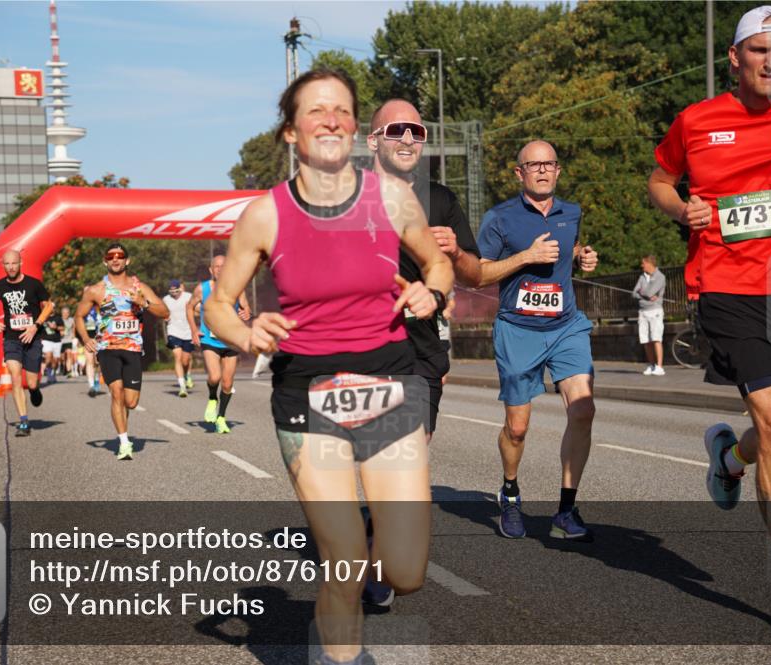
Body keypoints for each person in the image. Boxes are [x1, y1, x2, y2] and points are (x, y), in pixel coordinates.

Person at [204, 69, 453, 665]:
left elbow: (437, 263)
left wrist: (433, 292)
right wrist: (245, 331)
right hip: (306, 393)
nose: (331, 120)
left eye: (341, 109)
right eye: (316, 110)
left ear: (355, 127)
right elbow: (217, 305)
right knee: (343, 560)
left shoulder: (390, 197)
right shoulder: (265, 215)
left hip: (390, 384)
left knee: (406, 572)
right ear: (291, 131)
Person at [647, 6, 771, 642]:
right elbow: (660, 179)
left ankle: (729, 458)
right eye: (759, 49)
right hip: (727, 286)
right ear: (735, 56)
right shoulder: (697, 120)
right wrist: (682, 209)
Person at [477, 140, 600, 542]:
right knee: (517, 428)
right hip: (518, 329)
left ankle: (566, 509)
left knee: (583, 409)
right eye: (534, 165)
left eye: (550, 164)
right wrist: (526, 257)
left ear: (558, 170)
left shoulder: (572, 212)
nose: (543, 170)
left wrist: (582, 256)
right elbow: (479, 272)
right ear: (519, 173)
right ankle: (510, 494)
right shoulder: (499, 218)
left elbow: (571, 247)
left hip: (566, 326)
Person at [367, 98, 482, 438]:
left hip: (419, 349)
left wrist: (456, 252)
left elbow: (475, 275)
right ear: (373, 140)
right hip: (358, 349)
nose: (407, 139)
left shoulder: (440, 199)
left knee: (411, 450)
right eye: (396, 130)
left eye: (416, 132)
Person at [75, 243, 168, 460]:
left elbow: (164, 312)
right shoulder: (96, 290)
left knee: (131, 402)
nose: (115, 259)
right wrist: (86, 339)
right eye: (111, 256)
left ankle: (123, 426)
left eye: (120, 256)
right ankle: (124, 443)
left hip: (133, 348)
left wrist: (143, 303)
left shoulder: (139, 287)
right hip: (107, 348)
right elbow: (79, 316)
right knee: (116, 392)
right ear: (105, 261)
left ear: (127, 260)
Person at [0, 249, 52, 437]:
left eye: (14, 263)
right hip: (11, 338)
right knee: (15, 377)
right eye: (7, 264)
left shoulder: (34, 284)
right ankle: (24, 421)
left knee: (31, 383)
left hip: (32, 338)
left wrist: (35, 325)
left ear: (20, 263)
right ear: (3, 265)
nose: (11, 267)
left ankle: (34, 390)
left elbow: (48, 305)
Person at [186, 253, 251, 434]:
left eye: (224, 267)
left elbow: (246, 307)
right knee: (215, 377)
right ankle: (212, 398)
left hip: (231, 342)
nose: (221, 270)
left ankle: (221, 417)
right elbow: (189, 307)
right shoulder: (202, 289)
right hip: (210, 339)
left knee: (228, 384)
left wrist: (247, 313)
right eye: (217, 267)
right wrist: (194, 330)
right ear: (211, 270)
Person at [633, 254, 666, 376]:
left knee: (656, 338)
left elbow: (649, 292)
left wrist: (642, 292)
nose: (642, 266)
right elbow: (634, 293)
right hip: (643, 312)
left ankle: (659, 366)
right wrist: (645, 295)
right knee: (646, 340)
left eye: (643, 263)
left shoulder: (660, 277)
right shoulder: (642, 277)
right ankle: (651, 365)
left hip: (655, 311)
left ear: (649, 263)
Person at [162, 279, 194, 397]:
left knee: (185, 360)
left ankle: (186, 375)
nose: (174, 293)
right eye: (171, 291)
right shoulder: (166, 299)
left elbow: (197, 309)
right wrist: (164, 317)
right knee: (177, 357)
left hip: (188, 332)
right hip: (173, 331)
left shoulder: (188, 297)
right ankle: (182, 387)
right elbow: (162, 312)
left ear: (180, 288)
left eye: (175, 290)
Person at [81, 290, 102, 396]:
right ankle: (91, 385)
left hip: (100, 338)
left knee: (97, 362)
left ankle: (97, 378)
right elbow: (77, 323)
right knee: (89, 361)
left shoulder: (100, 306)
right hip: (88, 338)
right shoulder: (82, 308)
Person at [39, 310, 64, 384]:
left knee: (55, 360)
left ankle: (53, 373)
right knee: (48, 356)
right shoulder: (43, 317)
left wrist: (55, 327)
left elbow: (62, 328)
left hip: (57, 341)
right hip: (46, 340)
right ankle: (49, 374)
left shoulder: (58, 318)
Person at [60, 306, 78, 378]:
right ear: (62, 313)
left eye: (67, 313)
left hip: (69, 340)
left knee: (69, 354)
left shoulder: (71, 320)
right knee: (62, 357)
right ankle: (63, 367)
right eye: (64, 313)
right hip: (61, 340)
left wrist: (73, 334)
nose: (65, 314)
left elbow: (74, 327)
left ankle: (69, 371)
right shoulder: (59, 320)